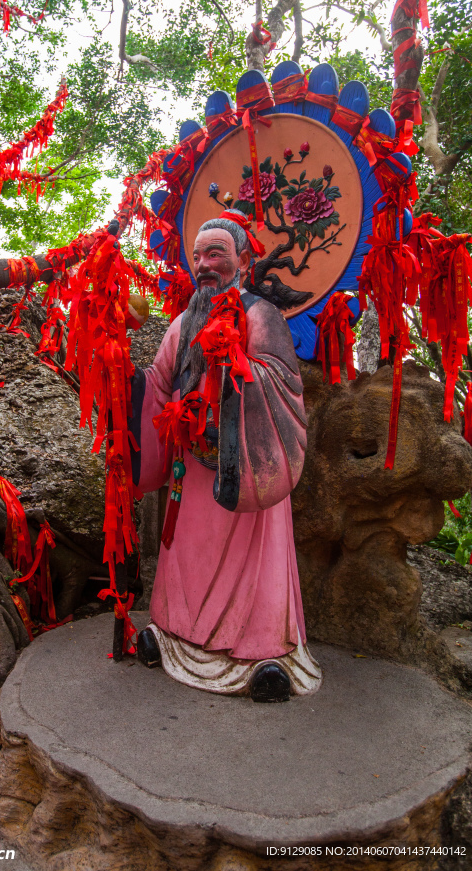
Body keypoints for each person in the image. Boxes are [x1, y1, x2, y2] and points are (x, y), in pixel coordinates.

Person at [129, 211, 321, 701]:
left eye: (215, 252)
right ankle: (173, 636)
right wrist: (122, 377)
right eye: (197, 255)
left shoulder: (260, 314)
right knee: (185, 552)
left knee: (252, 561)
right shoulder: (184, 320)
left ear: (243, 258)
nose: (204, 264)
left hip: (244, 468)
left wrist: (232, 372)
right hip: (191, 467)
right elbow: (158, 380)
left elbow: (278, 376)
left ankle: (261, 654)